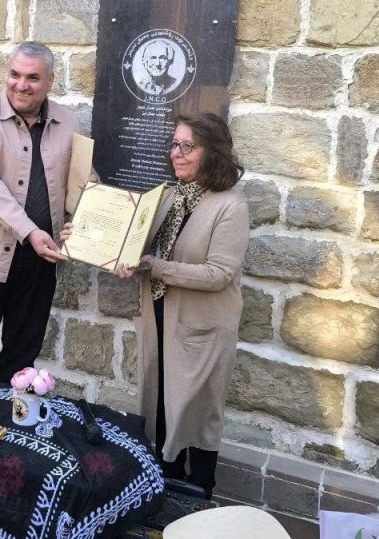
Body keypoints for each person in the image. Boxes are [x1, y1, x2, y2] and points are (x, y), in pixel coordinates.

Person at [67, 112, 248, 499]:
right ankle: (166, 484)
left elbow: (219, 273)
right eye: (174, 144)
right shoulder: (169, 196)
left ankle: (199, 491)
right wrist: (84, 233)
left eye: (188, 146)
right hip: (162, 316)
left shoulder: (230, 205)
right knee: (163, 401)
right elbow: (135, 244)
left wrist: (154, 267)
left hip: (202, 326)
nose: (176, 153)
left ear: (213, 152)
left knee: (198, 409)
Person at [0, 41, 79, 397]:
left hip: (38, 262)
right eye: (15, 74)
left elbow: (83, 180)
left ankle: (8, 427)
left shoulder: (68, 122)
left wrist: (85, 221)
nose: (21, 85)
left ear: (50, 80)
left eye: (32, 78)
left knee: (21, 359)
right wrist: (30, 231)